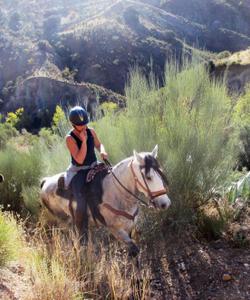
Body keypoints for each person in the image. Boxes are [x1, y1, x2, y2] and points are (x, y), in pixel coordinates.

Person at [58, 106, 108, 243]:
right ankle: (82, 235)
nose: (84, 126)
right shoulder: (70, 138)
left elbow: (98, 144)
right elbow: (79, 159)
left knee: (112, 179)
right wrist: (84, 142)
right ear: (73, 125)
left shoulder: (90, 131)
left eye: (85, 123)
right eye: (80, 125)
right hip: (79, 170)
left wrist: (102, 151)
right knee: (81, 201)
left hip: (94, 165)